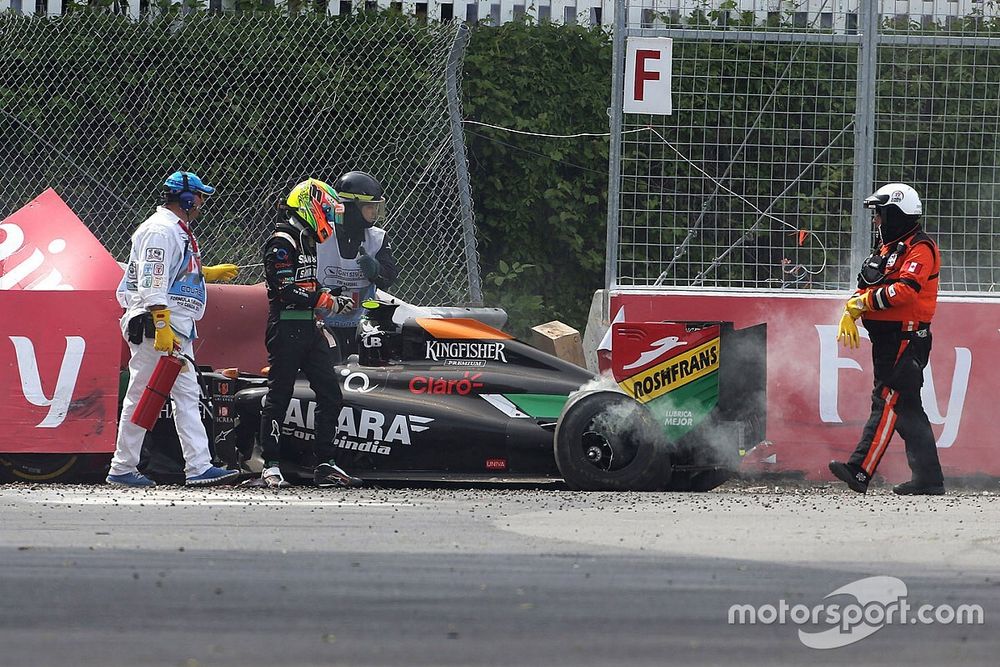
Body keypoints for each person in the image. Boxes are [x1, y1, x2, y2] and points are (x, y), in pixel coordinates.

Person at [109, 171, 242, 487]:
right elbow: (152, 279)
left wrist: (205, 273)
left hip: (175, 325)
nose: (202, 203)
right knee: (143, 395)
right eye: (199, 196)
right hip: (158, 325)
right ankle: (123, 468)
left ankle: (197, 467)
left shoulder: (175, 231)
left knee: (185, 395)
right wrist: (161, 324)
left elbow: (170, 270)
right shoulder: (160, 230)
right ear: (186, 198)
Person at [831, 182, 945, 496]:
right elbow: (868, 284)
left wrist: (864, 304)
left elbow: (905, 290)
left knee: (887, 401)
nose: (876, 221)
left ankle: (860, 469)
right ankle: (929, 479)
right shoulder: (886, 248)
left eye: (880, 214)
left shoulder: (920, 248)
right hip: (886, 340)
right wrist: (851, 307)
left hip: (907, 338)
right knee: (908, 409)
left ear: (896, 213)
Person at [259, 178, 363, 489]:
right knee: (279, 395)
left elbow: (307, 284)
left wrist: (331, 296)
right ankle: (271, 466)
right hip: (285, 326)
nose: (330, 220)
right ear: (310, 207)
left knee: (331, 393)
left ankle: (325, 465)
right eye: (327, 212)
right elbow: (283, 287)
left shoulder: (307, 240)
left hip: (308, 327)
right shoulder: (282, 241)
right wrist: (323, 300)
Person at [316, 171, 399, 357]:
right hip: (322, 323)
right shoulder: (320, 235)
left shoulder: (377, 238)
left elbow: (389, 278)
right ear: (351, 207)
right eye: (369, 207)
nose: (374, 212)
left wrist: (376, 270)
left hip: (363, 324)